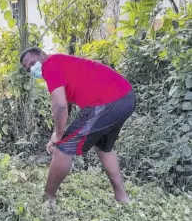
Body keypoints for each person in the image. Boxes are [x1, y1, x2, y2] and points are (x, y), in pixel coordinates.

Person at [20, 47, 136, 206]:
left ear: (43, 55)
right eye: (28, 69)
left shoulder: (50, 64)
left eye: (33, 63)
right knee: (103, 149)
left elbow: (59, 106)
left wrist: (60, 139)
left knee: (63, 150)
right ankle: (122, 199)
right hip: (126, 97)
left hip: (107, 101)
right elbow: (65, 104)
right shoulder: (61, 64)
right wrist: (56, 133)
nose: (32, 69)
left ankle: (47, 200)